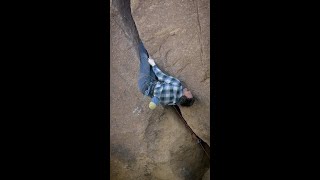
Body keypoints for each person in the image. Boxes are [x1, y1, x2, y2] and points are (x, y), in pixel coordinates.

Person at [138, 41, 195, 110]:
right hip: (145, 89)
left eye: (189, 93)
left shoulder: (178, 86)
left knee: (144, 56)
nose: (189, 91)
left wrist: (153, 64)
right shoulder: (173, 102)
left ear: (184, 97)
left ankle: (140, 42)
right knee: (149, 66)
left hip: (147, 82)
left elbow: (162, 76)